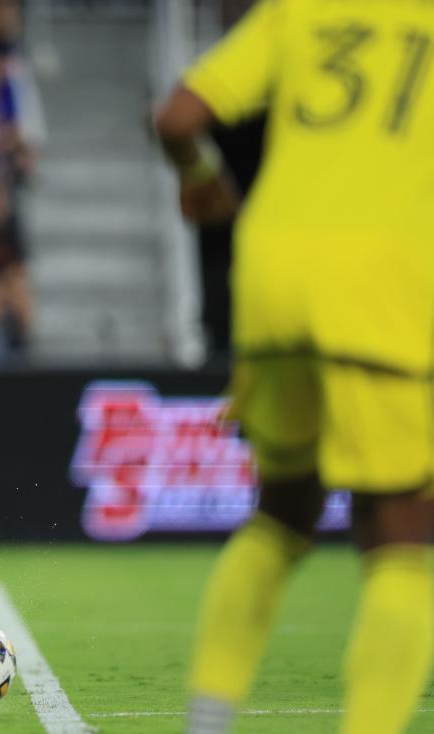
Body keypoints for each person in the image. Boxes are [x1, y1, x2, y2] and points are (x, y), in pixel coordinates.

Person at [154, 3, 434, 733]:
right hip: (383, 280)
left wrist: (203, 177)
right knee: (403, 534)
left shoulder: (300, 10)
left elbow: (179, 117)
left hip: (271, 274)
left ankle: (207, 723)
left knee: (282, 514)